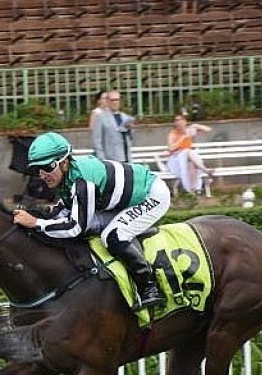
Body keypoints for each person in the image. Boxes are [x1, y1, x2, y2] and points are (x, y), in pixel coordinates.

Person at [12, 131, 168, 312]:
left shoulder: (82, 182)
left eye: (47, 167)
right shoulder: (68, 177)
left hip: (151, 196)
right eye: (37, 170)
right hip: (121, 203)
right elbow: (62, 209)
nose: (43, 175)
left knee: (112, 236)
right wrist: (38, 217)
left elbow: (75, 227)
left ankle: (150, 287)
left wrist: (36, 223)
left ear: (63, 163)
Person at [165, 113, 211, 193]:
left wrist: (196, 125)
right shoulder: (172, 134)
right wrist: (183, 137)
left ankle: (192, 190)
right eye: (176, 121)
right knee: (188, 152)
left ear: (185, 121)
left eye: (180, 120)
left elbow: (208, 129)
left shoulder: (189, 130)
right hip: (176, 159)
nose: (178, 122)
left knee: (191, 164)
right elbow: (171, 148)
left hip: (189, 158)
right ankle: (204, 169)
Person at [91, 90, 134, 163]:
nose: (115, 102)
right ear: (108, 101)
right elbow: (97, 140)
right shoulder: (100, 117)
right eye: (112, 100)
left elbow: (130, 138)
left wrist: (130, 130)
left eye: (117, 99)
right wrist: (102, 160)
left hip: (126, 157)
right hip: (110, 159)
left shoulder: (125, 117)